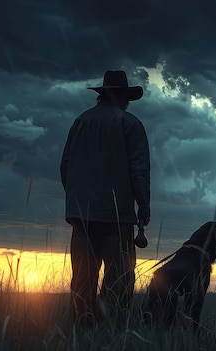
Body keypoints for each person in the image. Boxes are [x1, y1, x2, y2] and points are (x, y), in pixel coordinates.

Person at [60, 70, 150, 323]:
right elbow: (139, 171)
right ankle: (111, 333)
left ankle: (80, 333)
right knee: (118, 280)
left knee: (82, 280)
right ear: (123, 96)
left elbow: (65, 166)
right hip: (117, 216)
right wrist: (143, 206)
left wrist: (77, 201)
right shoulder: (131, 124)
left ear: (102, 94)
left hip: (81, 215)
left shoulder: (80, 121)